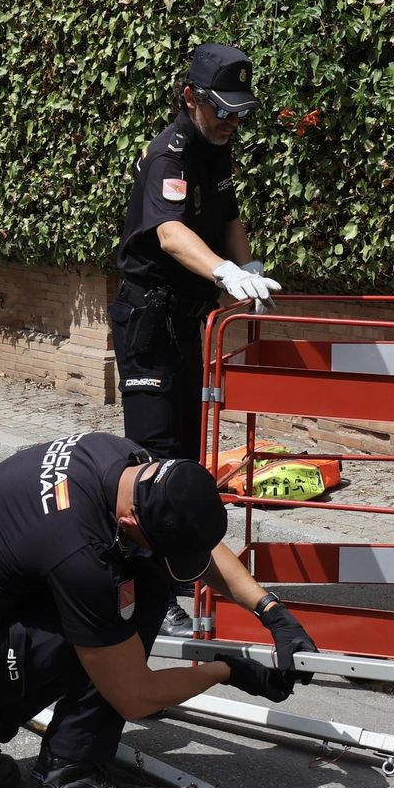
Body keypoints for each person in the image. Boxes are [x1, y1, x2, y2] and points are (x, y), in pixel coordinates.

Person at [0, 431, 317, 788]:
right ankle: (66, 784)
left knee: (130, 582)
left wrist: (271, 611)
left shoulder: (126, 462)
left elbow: (190, 534)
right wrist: (230, 671)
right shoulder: (81, 553)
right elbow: (134, 697)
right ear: (130, 522)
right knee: (135, 595)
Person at [110, 42, 283, 638]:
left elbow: (228, 216)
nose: (232, 122)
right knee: (152, 462)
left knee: (184, 460)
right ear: (191, 98)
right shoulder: (172, 154)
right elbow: (169, 234)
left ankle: (175, 572)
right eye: (222, 110)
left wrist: (248, 267)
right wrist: (224, 273)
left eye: (241, 113)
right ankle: (143, 597)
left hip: (186, 320)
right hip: (150, 323)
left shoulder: (215, 147)